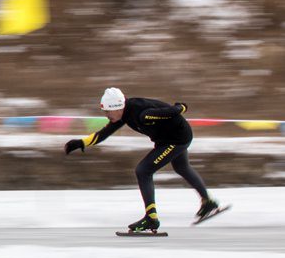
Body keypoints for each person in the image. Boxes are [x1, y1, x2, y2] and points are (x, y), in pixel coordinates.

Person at [65, 87, 222, 233]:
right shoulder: (123, 113)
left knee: (143, 170)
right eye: (104, 111)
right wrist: (81, 142)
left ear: (117, 108)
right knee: (181, 167)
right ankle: (209, 202)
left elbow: (171, 111)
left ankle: (151, 218)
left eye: (108, 111)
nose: (106, 115)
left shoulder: (142, 114)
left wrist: (181, 107)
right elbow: (104, 133)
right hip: (167, 138)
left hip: (176, 139)